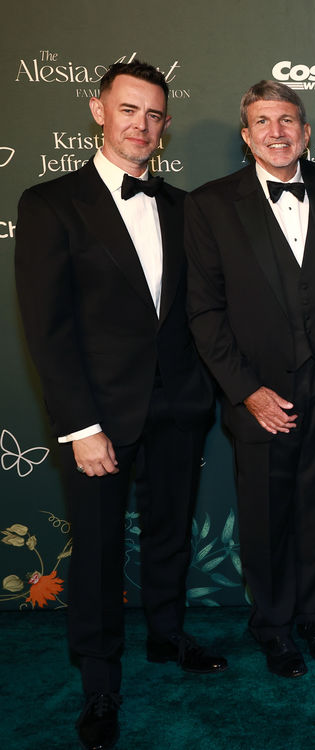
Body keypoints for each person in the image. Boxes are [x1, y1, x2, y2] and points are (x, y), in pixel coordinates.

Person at [14, 60, 223, 750]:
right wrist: (80, 426)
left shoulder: (183, 205)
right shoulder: (50, 204)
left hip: (177, 406)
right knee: (100, 552)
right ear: (99, 110)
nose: (142, 125)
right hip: (97, 418)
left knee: (169, 532)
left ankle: (167, 636)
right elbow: (48, 328)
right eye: (130, 109)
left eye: (155, 114)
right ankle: (99, 683)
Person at [185, 81, 315, 679]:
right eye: (263, 121)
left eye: (287, 119)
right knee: (264, 515)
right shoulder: (210, 203)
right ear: (246, 136)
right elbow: (204, 311)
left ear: (306, 132)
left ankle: (314, 616)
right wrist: (246, 391)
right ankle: (272, 625)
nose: (277, 131)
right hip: (258, 390)